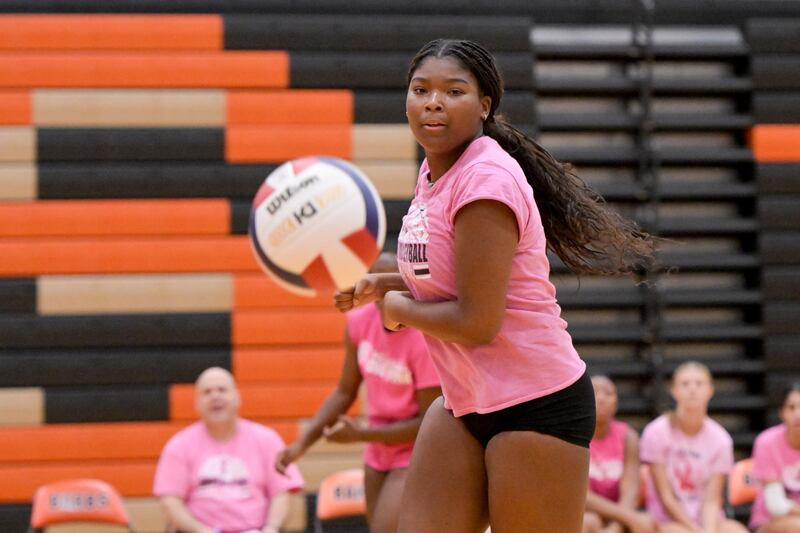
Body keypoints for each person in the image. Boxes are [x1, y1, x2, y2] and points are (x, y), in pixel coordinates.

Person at [334, 39, 656, 533]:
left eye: (453, 91)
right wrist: (386, 284)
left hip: (535, 402)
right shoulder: (434, 170)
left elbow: (477, 321)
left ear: (484, 106)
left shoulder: (485, 179)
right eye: (421, 89)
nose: (433, 102)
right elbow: (454, 276)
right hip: (467, 399)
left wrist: (398, 307)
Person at [276, 252, 441, 533]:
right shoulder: (359, 322)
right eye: (380, 284)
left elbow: (428, 422)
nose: (386, 293)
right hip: (377, 448)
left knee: (386, 528)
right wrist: (302, 444)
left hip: (416, 449)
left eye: (395, 286)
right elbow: (344, 392)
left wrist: (360, 434)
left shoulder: (422, 339)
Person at [153, 367, 303, 533]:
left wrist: (271, 528)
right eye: (207, 392)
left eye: (222, 390)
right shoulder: (178, 445)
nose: (215, 396)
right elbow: (170, 500)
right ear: (196, 404)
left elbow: (283, 491)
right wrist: (201, 531)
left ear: (237, 398)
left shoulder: (267, 440)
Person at [639, 361, 747, 533]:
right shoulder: (657, 432)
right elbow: (666, 497)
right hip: (667, 520)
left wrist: (708, 530)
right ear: (674, 390)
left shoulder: (721, 439)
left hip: (707, 519)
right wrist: (694, 530)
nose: (692, 389)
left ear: (710, 390)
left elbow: (712, 500)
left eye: (699, 383)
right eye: (685, 383)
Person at [584, 375, 657, 533]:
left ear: (616, 403)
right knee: (589, 522)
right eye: (595, 391)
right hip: (587, 513)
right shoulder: (574, 436)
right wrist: (628, 517)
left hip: (620, 514)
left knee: (647, 524)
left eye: (608, 393)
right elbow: (583, 496)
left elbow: (631, 491)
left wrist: (616, 527)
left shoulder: (628, 437)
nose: (601, 397)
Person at [749, 383, 800, 532]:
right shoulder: (767, 442)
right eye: (791, 408)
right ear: (781, 412)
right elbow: (776, 505)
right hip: (769, 521)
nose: (798, 414)